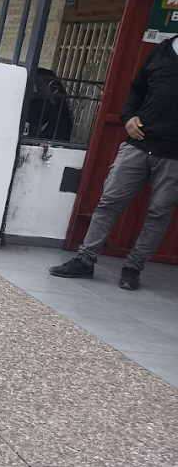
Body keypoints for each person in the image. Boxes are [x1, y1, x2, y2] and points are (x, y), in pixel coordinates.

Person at [50, 35, 178, 290]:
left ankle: (133, 268)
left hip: (174, 156)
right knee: (109, 202)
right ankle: (85, 260)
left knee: (159, 214)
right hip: (138, 144)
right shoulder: (163, 50)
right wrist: (128, 116)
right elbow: (137, 89)